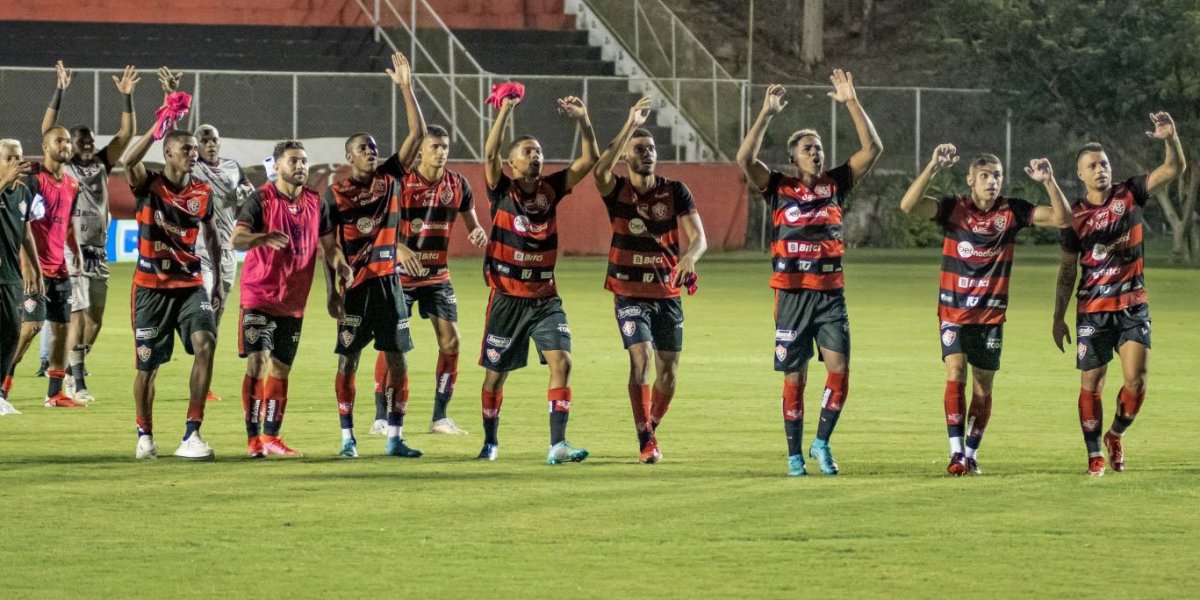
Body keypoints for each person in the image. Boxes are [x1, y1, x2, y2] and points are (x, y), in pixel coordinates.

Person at [736, 72, 883, 477]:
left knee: (840, 370)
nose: (816, 153)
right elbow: (744, 159)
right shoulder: (778, 186)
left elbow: (873, 149)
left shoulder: (835, 183)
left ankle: (821, 442)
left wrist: (851, 101)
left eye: (819, 148)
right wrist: (765, 113)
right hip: (792, 295)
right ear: (793, 158)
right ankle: (794, 455)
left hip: (830, 294)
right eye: (807, 148)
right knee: (795, 378)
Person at [899, 145, 1070, 475]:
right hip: (953, 311)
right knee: (955, 372)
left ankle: (972, 453)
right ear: (970, 180)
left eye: (997, 175)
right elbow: (909, 205)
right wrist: (933, 166)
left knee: (983, 386)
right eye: (985, 176)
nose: (992, 181)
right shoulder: (954, 209)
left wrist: (1048, 181)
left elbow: (1062, 218)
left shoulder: (1012, 211)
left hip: (990, 315)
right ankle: (955, 453)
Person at [1052, 112, 1185, 477]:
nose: (1101, 169)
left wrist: (1170, 139)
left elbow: (1174, 169)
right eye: (1093, 166)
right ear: (1080, 174)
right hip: (1092, 311)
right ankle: (1094, 454)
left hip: (1132, 306)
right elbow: (1067, 270)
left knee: (1136, 381)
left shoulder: (1130, 193)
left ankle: (1116, 434)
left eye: (1105, 163)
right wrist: (1058, 317)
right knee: (1091, 382)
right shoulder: (1074, 217)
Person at [476, 91, 598, 464]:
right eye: (528, 151)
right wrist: (505, 111)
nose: (536, 156)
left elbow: (589, 160)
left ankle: (557, 445)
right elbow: (489, 154)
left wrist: (583, 120)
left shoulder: (550, 189)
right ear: (511, 162)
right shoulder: (502, 190)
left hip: (545, 297)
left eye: (539, 151)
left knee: (563, 362)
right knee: (495, 377)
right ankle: (490, 441)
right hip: (507, 298)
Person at [591, 97, 707, 463]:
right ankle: (646, 442)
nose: (648, 153)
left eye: (652, 148)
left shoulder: (675, 191)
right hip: (628, 291)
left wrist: (690, 256)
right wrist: (630, 124)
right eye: (640, 149)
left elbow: (699, 237)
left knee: (668, 374)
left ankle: (650, 426)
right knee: (640, 358)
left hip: (666, 292)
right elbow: (599, 170)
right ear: (626, 156)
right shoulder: (617, 190)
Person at [323, 51, 425, 459]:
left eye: (374, 147)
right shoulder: (335, 194)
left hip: (389, 285)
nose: (371, 151)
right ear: (348, 156)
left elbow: (417, 135)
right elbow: (329, 247)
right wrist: (332, 290)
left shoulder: (390, 178)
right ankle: (347, 438)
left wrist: (406, 88)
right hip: (356, 290)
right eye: (363, 148)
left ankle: (395, 437)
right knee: (348, 362)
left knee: (398, 361)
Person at [123, 67, 225, 460]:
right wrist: (163, 119)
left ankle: (192, 433)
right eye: (186, 149)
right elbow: (128, 159)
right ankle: (144, 435)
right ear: (167, 153)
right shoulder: (148, 185)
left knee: (206, 344)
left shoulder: (202, 191)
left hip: (190, 285)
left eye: (195, 149)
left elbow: (212, 236)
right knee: (147, 368)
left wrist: (217, 282)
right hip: (150, 289)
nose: (193, 154)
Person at [368, 123, 488, 437]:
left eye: (445, 147)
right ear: (420, 150)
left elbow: (472, 222)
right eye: (435, 146)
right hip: (400, 276)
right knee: (392, 343)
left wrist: (477, 231)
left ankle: (440, 418)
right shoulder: (402, 182)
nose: (441, 152)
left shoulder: (457, 184)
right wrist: (398, 247)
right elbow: (378, 225)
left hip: (437, 276)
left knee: (452, 341)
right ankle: (381, 417)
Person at [231, 140, 350, 458]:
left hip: (294, 302)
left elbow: (329, 248)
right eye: (293, 161)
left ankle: (272, 436)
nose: (301, 166)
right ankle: (253, 438)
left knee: (281, 369)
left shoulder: (316, 202)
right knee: (258, 362)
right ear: (277, 166)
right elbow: (236, 239)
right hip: (258, 294)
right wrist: (261, 237)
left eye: (304, 161)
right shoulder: (261, 199)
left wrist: (336, 280)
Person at [41, 60, 141, 403]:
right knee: (78, 315)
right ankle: (76, 380)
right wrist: (60, 91)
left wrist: (126, 96)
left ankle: (74, 367)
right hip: (72, 249)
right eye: (79, 140)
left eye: (89, 141)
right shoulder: (64, 166)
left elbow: (126, 134)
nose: (85, 145)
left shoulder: (101, 163)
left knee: (95, 321)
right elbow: (47, 130)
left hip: (99, 250)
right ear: (69, 144)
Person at [6, 125, 84, 409]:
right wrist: (28, 266)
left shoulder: (73, 185)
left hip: (60, 268)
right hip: (33, 270)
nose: (65, 145)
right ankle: (3, 387)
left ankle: (54, 393)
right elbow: (21, 225)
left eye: (67, 141)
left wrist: (75, 249)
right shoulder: (33, 182)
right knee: (30, 328)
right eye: (58, 141)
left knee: (62, 329)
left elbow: (66, 224)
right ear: (45, 146)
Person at [192, 123, 254, 402]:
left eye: (214, 140)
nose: (210, 145)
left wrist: (245, 192)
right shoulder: (192, 167)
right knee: (204, 313)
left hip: (228, 252)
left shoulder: (233, 167)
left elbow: (248, 189)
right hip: (200, 249)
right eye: (204, 141)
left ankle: (204, 382)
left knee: (215, 319)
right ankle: (192, 343)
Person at [0, 140, 44, 415]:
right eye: (9, 158)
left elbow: (26, 233)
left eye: (18, 157)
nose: (16, 163)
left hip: (10, 275)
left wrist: (35, 268)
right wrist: (5, 181)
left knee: (12, 333)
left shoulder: (23, 192)